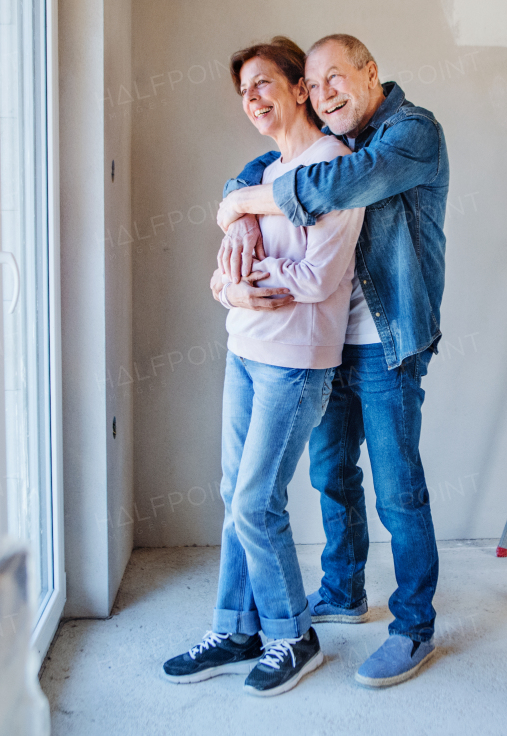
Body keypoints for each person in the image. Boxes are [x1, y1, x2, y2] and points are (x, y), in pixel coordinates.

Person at [213, 34, 449, 688]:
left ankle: (413, 627)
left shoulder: (410, 134)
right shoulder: (325, 137)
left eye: (335, 79)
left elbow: (334, 182)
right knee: (330, 472)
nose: (324, 95)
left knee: (398, 489)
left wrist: (244, 206)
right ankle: (343, 589)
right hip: (327, 343)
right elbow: (262, 168)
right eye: (313, 87)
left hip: (388, 337)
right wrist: (238, 214)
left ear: (372, 72)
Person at [162, 37, 362, 697]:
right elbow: (224, 268)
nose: (251, 100)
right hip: (244, 350)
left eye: (263, 84)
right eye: (243, 92)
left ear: (300, 88)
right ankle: (236, 627)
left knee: (257, 500)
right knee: (234, 496)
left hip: (296, 360)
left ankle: (293, 636)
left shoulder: (333, 168)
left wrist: (247, 277)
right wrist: (229, 287)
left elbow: (318, 276)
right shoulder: (262, 174)